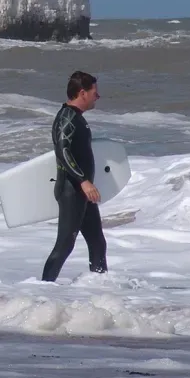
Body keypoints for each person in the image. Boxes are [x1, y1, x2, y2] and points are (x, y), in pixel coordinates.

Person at [41, 70, 107, 282]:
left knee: (97, 242)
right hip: (71, 190)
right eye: (94, 92)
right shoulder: (66, 118)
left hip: (81, 191)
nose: (98, 96)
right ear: (82, 93)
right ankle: (43, 289)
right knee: (65, 244)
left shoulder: (77, 118)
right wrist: (83, 181)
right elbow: (63, 151)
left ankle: (100, 287)